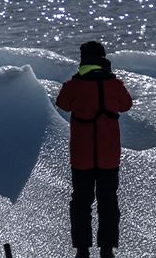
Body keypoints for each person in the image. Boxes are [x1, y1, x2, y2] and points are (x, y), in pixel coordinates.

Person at [56, 41, 132, 258]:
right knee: (108, 200)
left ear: (83, 60)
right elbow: (126, 105)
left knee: (81, 201)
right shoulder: (114, 85)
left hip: (82, 157)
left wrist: (77, 81)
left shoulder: (74, 85)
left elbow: (62, 103)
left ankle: (82, 250)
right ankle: (107, 250)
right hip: (109, 157)